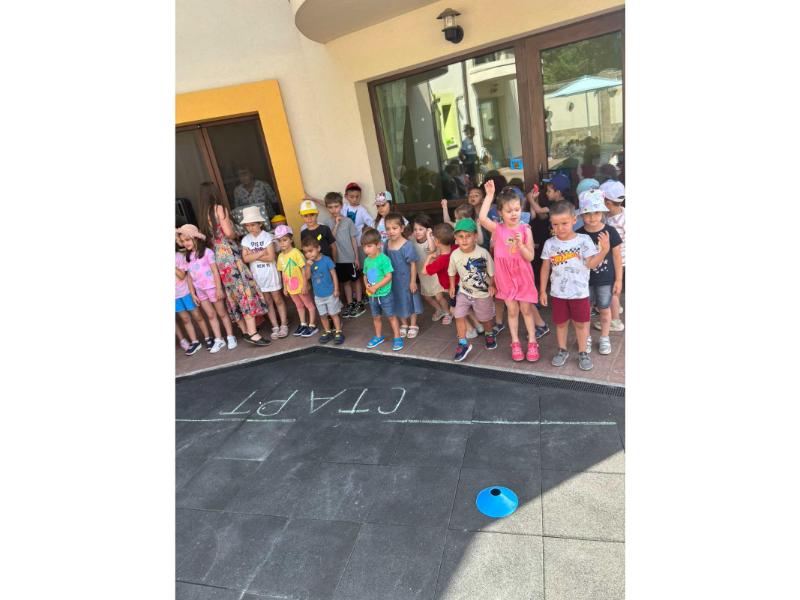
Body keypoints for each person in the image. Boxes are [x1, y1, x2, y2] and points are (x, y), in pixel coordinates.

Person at [479, 180, 549, 362]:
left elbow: (530, 257)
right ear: (500, 213)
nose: (514, 213)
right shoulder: (498, 229)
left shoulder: (526, 229)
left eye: (517, 209)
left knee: (526, 309)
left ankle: (532, 341)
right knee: (512, 310)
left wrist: (521, 245)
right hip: (505, 276)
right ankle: (515, 342)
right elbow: (482, 218)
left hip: (523, 274)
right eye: (509, 211)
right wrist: (489, 196)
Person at [199, 182, 271, 346]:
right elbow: (229, 233)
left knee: (232, 293)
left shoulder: (204, 214)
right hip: (229, 253)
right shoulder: (219, 209)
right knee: (244, 290)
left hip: (218, 255)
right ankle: (253, 333)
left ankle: (245, 330)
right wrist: (236, 231)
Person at [539, 201, 609, 371]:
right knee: (561, 324)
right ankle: (562, 350)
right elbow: (545, 268)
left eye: (564, 223)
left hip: (579, 293)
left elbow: (591, 264)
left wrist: (604, 251)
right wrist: (542, 291)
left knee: (581, 324)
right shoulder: (550, 243)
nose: (560, 228)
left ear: (574, 220)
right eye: (555, 224)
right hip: (558, 293)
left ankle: (583, 352)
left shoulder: (584, 240)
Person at [176, 224, 243, 352]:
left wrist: (218, 288)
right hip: (200, 290)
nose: (185, 243)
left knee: (222, 313)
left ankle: (230, 336)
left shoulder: (207, 252)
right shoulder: (188, 257)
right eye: (183, 241)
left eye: (188, 240)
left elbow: (215, 271)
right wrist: (192, 293)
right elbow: (189, 276)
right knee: (211, 315)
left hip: (212, 288)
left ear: (196, 238)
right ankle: (219, 339)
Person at [576, 189, 622, 355]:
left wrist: (619, 280)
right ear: (582, 215)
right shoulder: (579, 235)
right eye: (587, 213)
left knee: (604, 308)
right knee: (585, 311)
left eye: (596, 212)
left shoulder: (611, 232)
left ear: (602, 212)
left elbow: (617, 257)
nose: (592, 217)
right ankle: (586, 337)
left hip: (605, 280)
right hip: (584, 281)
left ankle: (604, 337)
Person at [448, 218, 498, 362]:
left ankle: (489, 333)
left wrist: (492, 285)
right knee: (458, 315)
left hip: (482, 294)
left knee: (485, 318)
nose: (464, 240)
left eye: (468, 236)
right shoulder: (455, 254)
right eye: (460, 236)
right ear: (456, 238)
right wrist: (452, 286)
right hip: (464, 292)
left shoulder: (483, 253)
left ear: (475, 236)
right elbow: (451, 272)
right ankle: (462, 343)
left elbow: (492, 273)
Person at [240, 206, 289, 340]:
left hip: (271, 274)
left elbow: (271, 257)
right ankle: (275, 326)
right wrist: (262, 252)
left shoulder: (268, 237)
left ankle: (284, 324)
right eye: (247, 225)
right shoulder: (246, 240)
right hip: (258, 276)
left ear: (260, 223)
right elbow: (245, 259)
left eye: (253, 224)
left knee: (277, 299)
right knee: (267, 301)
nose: (250, 228)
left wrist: (253, 254)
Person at [324, 192, 365, 319]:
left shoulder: (348, 221)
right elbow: (330, 239)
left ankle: (359, 303)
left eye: (336, 206)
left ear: (341, 206)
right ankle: (350, 303)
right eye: (330, 207)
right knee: (345, 282)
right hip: (338, 260)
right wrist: (336, 224)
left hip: (350, 258)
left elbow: (353, 240)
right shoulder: (327, 223)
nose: (334, 210)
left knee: (355, 280)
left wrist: (356, 257)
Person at [384, 212, 424, 340]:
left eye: (394, 228)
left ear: (402, 228)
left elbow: (413, 264)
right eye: (388, 229)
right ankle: (404, 323)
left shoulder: (407, 245)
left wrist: (413, 281)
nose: (391, 231)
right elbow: (384, 261)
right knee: (398, 300)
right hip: (393, 280)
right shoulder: (387, 244)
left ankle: (413, 324)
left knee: (410, 300)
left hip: (406, 280)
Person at [362, 228, 403, 351]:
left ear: (378, 245)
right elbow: (365, 275)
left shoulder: (384, 259)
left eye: (369, 246)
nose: (366, 249)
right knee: (376, 317)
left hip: (385, 294)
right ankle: (378, 336)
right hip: (373, 295)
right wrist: (367, 285)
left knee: (391, 316)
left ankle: (397, 337)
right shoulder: (367, 260)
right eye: (364, 246)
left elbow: (388, 276)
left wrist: (375, 287)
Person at [274, 224, 318, 338]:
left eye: (285, 240)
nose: (282, 243)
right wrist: (285, 287)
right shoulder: (280, 256)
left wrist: (305, 284)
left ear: (291, 239)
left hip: (301, 285)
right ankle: (303, 324)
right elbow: (283, 272)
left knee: (309, 304)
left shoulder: (296, 253)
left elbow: (303, 269)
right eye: (279, 241)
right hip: (291, 287)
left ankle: (312, 325)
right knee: (298, 305)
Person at [301, 237, 344, 345]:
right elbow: (307, 277)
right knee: (323, 315)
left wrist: (336, 289)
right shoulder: (309, 263)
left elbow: (334, 274)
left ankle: (338, 331)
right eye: (306, 252)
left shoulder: (326, 260)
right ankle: (327, 331)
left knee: (333, 314)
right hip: (318, 295)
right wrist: (307, 267)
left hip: (330, 293)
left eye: (311, 251)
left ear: (318, 248)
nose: (308, 254)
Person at [411, 214, 451, 324]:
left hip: (434, 273)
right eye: (415, 229)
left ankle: (448, 313)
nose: (417, 232)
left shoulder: (432, 240)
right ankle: (440, 310)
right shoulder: (413, 241)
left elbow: (432, 249)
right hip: (423, 274)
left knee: (438, 296)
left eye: (421, 229)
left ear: (428, 229)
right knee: (427, 296)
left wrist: (429, 236)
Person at [599, 180, 626, 332]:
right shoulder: (623, 213)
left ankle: (615, 321)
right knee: (617, 286)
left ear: (607, 203)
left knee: (612, 291)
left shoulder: (613, 222)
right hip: (622, 260)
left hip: (616, 260)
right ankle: (618, 308)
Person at [175, 246, 211, 356]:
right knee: (185, 319)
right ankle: (195, 342)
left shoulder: (178, 256)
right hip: (174, 296)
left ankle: (208, 338)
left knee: (197, 316)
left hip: (185, 292)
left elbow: (182, 276)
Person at [423, 222, 457, 326]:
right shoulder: (456, 248)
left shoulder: (440, 261)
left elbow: (424, 271)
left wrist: (429, 257)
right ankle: (478, 326)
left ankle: (469, 330)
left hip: (452, 288)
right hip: (461, 284)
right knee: (465, 309)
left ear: (437, 241)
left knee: (457, 312)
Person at [232, 167, 277, 232]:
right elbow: (237, 210)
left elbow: (275, 201)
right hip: (250, 225)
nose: (243, 177)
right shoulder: (237, 191)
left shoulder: (263, 185)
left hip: (268, 220)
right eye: (240, 175)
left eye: (245, 174)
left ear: (252, 174)